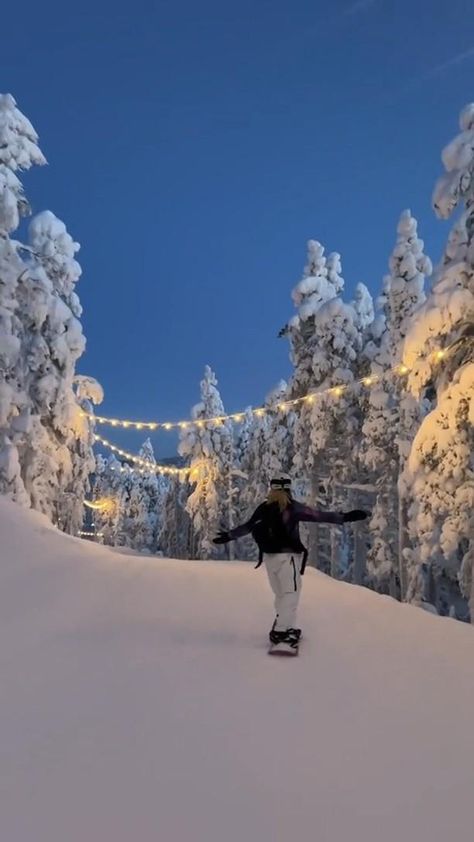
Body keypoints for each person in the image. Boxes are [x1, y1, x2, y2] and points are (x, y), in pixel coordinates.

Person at [214, 475, 368, 652]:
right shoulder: (292, 508)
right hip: (287, 558)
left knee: (281, 594)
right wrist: (346, 517)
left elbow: (248, 527)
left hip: (269, 558)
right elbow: (318, 515)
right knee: (291, 593)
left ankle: (285, 625)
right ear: (288, 489)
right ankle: (281, 631)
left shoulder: (263, 508)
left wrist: (228, 536)